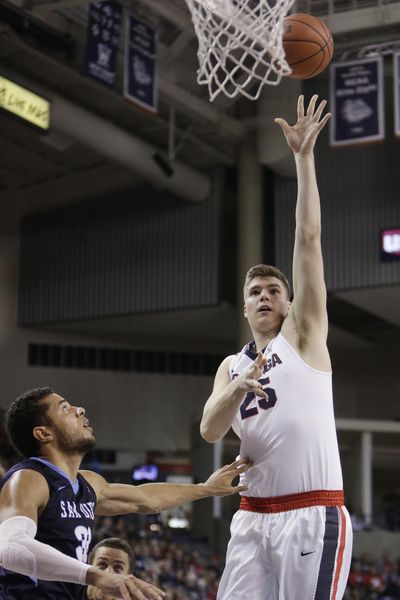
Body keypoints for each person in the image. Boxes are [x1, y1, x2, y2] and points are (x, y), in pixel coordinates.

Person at [200, 95, 353, 600]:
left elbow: (309, 239)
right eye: (254, 293)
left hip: (311, 510)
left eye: (273, 291)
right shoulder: (230, 364)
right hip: (252, 517)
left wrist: (303, 159)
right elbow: (209, 429)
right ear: (244, 309)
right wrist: (236, 386)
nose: (264, 297)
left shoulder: (304, 336)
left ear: (288, 305)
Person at [0, 387, 251, 599]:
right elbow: (10, 548)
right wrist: (97, 575)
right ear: (44, 433)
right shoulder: (29, 478)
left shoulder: (87, 483)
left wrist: (205, 489)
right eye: (64, 408)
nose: (80, 410)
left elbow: (146, 499)